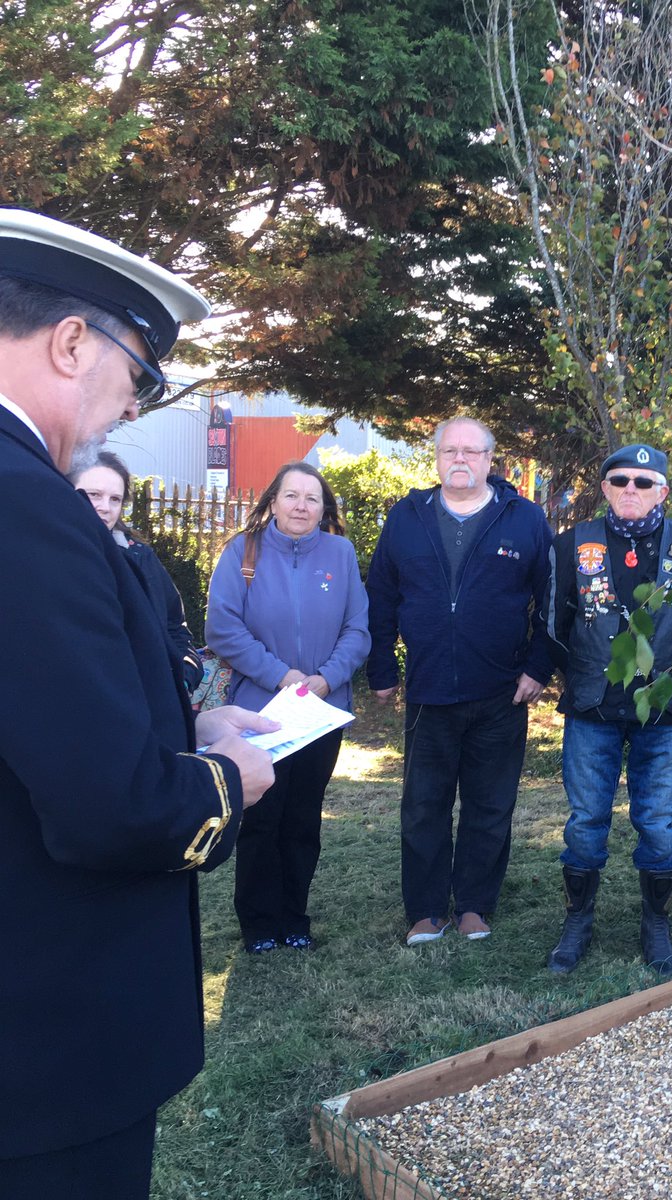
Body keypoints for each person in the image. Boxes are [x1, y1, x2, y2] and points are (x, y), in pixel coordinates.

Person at [0, 208, 275, 1196]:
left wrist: (188, 716)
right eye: (140, 377)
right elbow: (106, 804)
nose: (132, 408)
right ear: (72, 342)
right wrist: (226, 778)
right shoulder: (23, 502)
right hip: (46, 1050)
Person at [366, 416, 554, 946]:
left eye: (472, 451)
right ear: (437, 458)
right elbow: (380, 596)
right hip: (429, 691)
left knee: (489, 804)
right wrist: (382, 667)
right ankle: (426, 909)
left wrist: (539, 667)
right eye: (450, 450)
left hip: (501, 691)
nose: (461, 459)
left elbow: (554, 600)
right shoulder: (406, 518)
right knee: (424, 805)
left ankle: (474, 904)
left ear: (491, 460)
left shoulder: (525, 520)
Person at [543, 443, 672, 975]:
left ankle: (656, 922)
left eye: (644, 483)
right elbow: (554, 624)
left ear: (663, 490)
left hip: (663, 713)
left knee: (658, 822)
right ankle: (577, 921)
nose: (631, 490)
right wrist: (579, 675)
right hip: (592, 707)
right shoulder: (572, 544)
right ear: (604, 488)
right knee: (585, 820)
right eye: (620, 480)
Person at [206, 461, 370, 953]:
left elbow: (358, 629)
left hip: (321, 712)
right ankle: (258, 924)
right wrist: (283, 676)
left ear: (325, 508)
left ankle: (294, 917)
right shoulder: (242, 551)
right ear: (273, 501)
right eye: (292, 496)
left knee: (303, 818)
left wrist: (325, 679)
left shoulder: (340, 554)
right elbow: (223, 628)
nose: (302, 506)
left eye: (312, 498)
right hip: (261, 711)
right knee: (261, 818)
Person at [71, 449, 203, 693]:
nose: (104, 507)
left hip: (151, 703)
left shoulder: (140, 558)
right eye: (94, 495)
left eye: (115, 499)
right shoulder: (50, 559)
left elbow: (176, 628)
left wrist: (182, 677)